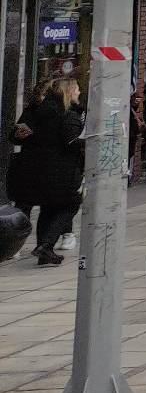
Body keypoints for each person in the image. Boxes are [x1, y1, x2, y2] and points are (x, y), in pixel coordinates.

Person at [11, 78, 85, 265]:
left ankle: (45, 250)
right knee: (71, 203)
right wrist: (90, 141)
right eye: (76, 89)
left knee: (48, 207)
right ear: (68, 92)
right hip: (59, 171)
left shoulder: (36, 112)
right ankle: (46, 244)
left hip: (33, 169)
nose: (79, 92)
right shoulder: (67, 114)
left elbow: (16, 135)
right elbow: (70, 142)